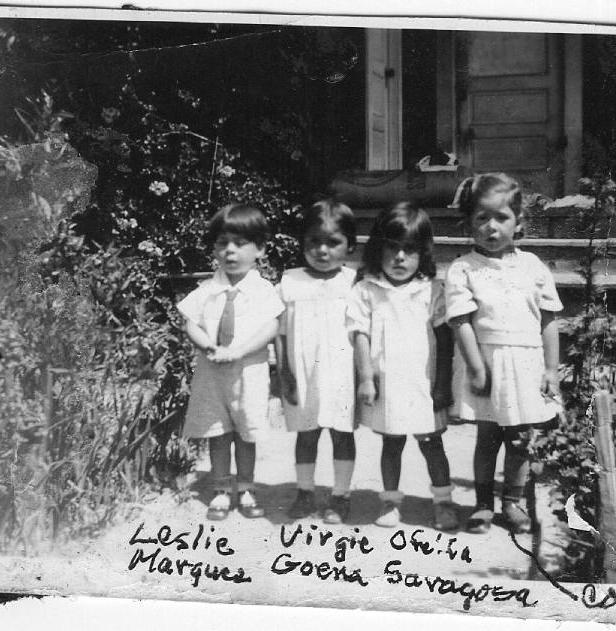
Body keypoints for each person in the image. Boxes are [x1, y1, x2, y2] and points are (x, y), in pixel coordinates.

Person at [446, 173, 563, 534]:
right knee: (487, 437)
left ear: (519, 223)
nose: (491, 227)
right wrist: (477, 367)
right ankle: (482, 504)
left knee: (519, 438)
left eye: (501, 218)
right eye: (482, 219)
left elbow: (548, 320)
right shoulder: (464, 268)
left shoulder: (532, 267)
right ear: (469, 223)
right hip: (486, 364)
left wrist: (551, 369)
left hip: (525, 365)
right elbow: (461, 322)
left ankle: (511, 503)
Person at [347, 202, 458, 531]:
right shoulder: (367, 291)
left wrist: (442, 385)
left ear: (422, 254)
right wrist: (366, 378)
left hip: (423, 386)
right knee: (391, 444)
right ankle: (390, 501)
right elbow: (360, 336)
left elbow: (445, 341)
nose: (399, 258)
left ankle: (443, 501)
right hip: (388, 386)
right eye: (391, 248)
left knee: (432, 445)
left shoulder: (432, 291)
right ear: (378, 250)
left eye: (409, 250)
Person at [178, 203, 284, 521]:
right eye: (223, 243)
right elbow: (190, 323)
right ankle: (222, 489)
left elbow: (271, 327)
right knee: (218, 432)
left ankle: (247, 488)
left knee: (246, 431)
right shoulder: (207, 290)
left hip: (248, 372)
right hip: (213, 373)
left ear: (260, 249)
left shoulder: (264, 291)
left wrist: (240, 350)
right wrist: (208, 345)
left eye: (239, 244)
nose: (230, 251)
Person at [276, 200, 358, 524]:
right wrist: (283, 372)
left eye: (333, 242)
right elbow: (280, 332)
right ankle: (304, 492)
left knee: (342, 435)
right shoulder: (289, 281)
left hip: (342, 375)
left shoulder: (354, 282)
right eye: (313, 241)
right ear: (302, 243)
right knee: (306, 434)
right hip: (303, 373)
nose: (322, 250)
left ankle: (341, 495)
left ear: (349, 245)